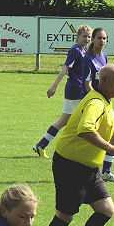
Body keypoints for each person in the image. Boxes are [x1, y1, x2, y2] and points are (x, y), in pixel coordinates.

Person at [32, 64, 114, 226]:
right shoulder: (96, 102)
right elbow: (85, 130)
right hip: (70, 164)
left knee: (106, 209)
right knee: (65, 216)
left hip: (88, 167)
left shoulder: (105, 101)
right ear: (103, 81)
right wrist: (112, 148)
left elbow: (113, 128)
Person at [33, 25, 92, 158]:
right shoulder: (75, 50)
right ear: (77, 37)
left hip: (78, 88)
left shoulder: (84, 50)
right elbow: (65, 69)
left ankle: (41, 145)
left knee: (65, 120)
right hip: (76, 89)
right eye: (84, 36)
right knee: (81, 121)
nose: (87, 39)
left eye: (89, 36)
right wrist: (54, 86)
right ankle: (75, 151)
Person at [84, 27, 114, 184]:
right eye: (99, 38)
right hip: (96, 102)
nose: (102, 41)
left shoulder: (104, 57)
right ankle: (87, 168)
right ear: (93, 40)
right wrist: (97, 100)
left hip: (105, 101)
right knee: (88, 136)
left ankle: (106, 171)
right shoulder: (87, 59)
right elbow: (87, 83)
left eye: (104, 38)